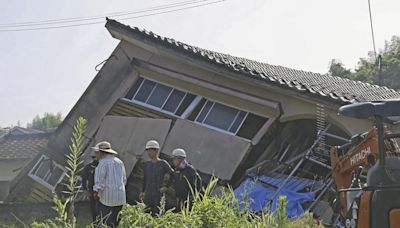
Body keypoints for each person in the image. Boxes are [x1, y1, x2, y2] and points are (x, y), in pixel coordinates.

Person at [92, 141, 127, 228]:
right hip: (120, 195)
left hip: (107, 197)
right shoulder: (119, 162)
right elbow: (124, 179)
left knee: (106, 221)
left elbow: (100, 182)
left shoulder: (102, 163)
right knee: (116, 221)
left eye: (96, 152)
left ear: (100, 152)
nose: (96, 155)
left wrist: (96, 191)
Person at [140, 140, 173, 215]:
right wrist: (142, 191)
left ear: (156, 151)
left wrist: (166, 187)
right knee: (145, 213)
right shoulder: (147, 164)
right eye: (147, 150)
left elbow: (173, 174)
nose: (148, 153)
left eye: (150, 150)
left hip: (158, 194)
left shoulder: (163, 163)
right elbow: (145, 179)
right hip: (148, 194)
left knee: (157, 214)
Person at [81, 151, 99, 222]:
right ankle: (95, 224)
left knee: (101, 208)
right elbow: (84, 178)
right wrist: (85, 189)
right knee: (93, 209)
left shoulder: (102, 166)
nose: (95, 159)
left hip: (101, 190)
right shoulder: (88, 167)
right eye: (94, 157)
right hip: (92, 190)